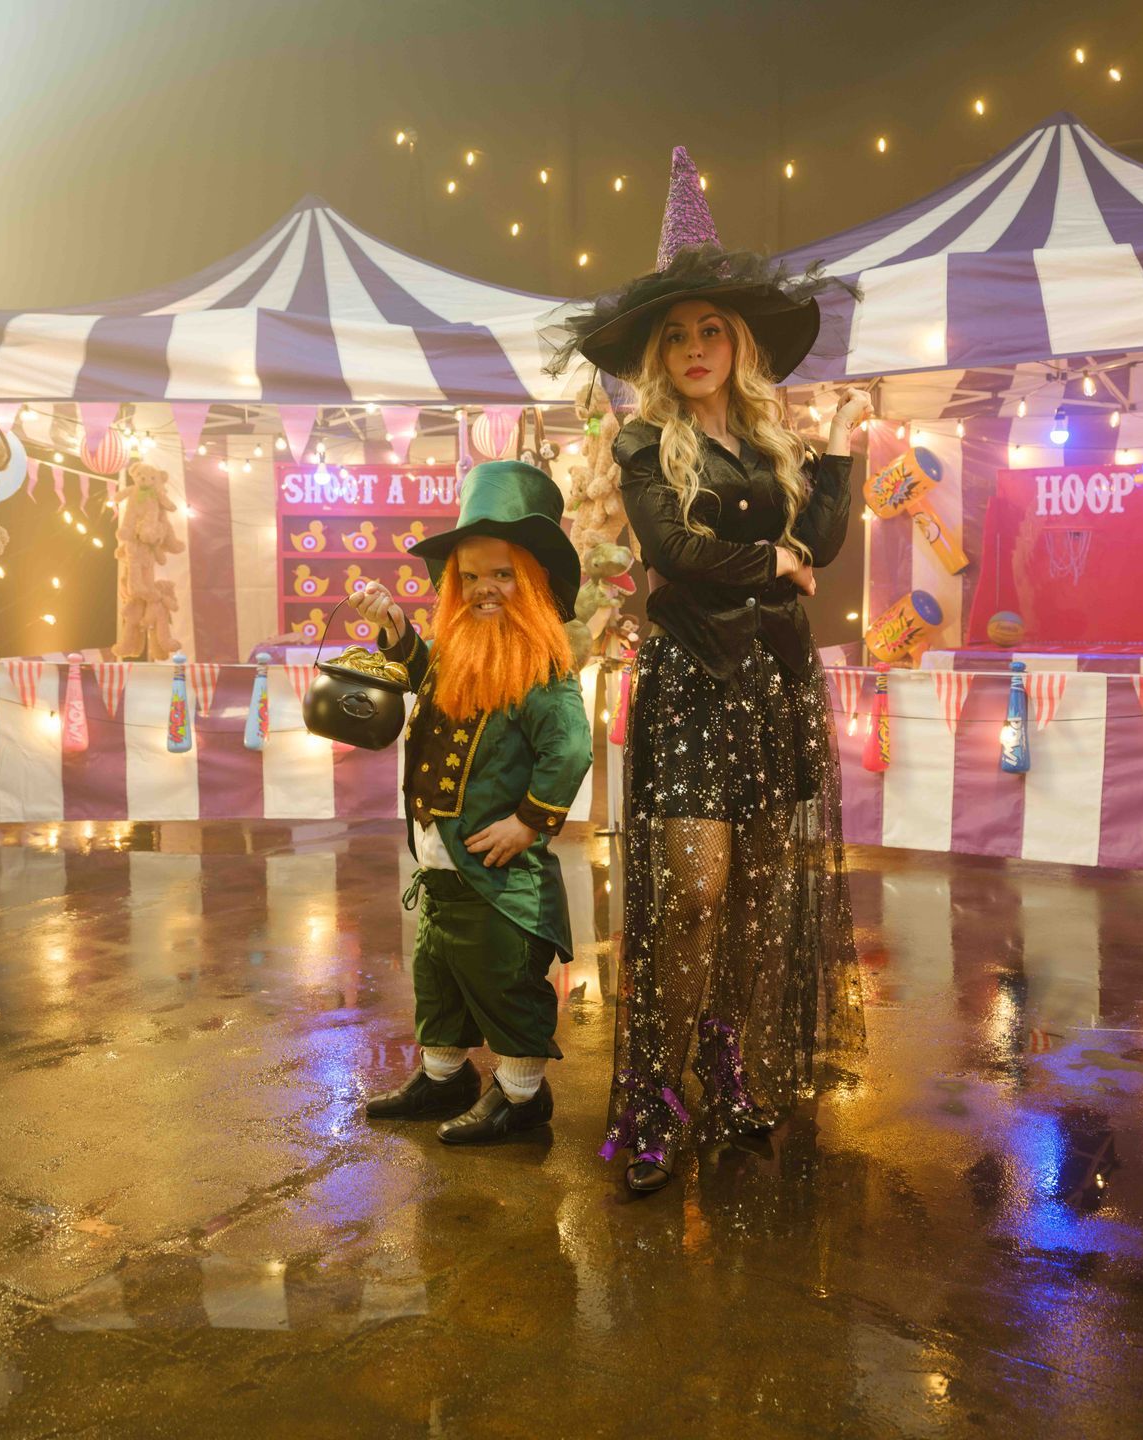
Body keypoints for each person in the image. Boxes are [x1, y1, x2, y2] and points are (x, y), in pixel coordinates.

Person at [545, 146, 868, 1194]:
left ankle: (730, 1071)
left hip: (773, 689)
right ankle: (652, 1094)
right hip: (690, 688)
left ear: (739, 342)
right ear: (657, 351)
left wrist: (845, 453)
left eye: (710, 329)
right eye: (676, 332)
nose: (694, 345)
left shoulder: (776, 444)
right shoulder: (646, 444)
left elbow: (823, 541)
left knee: (757, 901)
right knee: (692, 894)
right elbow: (672, 554)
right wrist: (771, 559)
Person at [351, 461, 593, 1145]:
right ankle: (443, 1075)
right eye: (469, 576)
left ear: (534, 582)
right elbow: (425, 674)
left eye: (503, 573)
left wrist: (530, 822)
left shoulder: (543, 672)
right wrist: (394, 623)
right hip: (442, 866)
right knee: (439, 977)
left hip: (501, 881)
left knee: (502, 979)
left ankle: (520, 1096)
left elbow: (570, 751)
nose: (484, 588)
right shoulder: (458, 657)